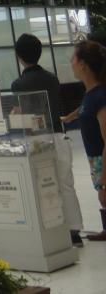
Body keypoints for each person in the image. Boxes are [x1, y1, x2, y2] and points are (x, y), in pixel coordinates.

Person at [13, 33, 86, 245]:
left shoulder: (18, 84)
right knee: (66, 184)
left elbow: (21, 114)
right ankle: (74, 231)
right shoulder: (52, 79)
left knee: (42, 184)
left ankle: (49, 230)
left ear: (19, 56)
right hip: (58, 134)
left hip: (36, 139)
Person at [64, 40, 106, 242]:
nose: (70, 62)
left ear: (83, 64)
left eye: (73, 58)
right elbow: (84, 109)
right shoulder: (91, 94)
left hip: (102, 158)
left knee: (103, 195)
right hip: (95, 159)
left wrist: (104, 181)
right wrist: (67, 118)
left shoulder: (100, 96)